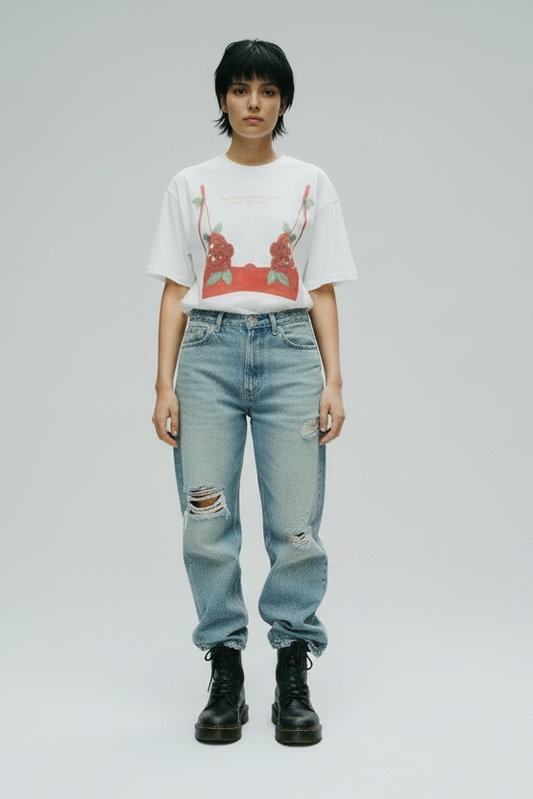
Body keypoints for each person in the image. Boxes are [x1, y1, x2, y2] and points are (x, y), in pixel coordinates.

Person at [146, 39, 357, 746]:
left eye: (267, 92)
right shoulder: (189, 184)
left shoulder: (309, 181)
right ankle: (227, 666)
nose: (253, 105)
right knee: (206, 519)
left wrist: (333, 379)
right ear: (222, 99)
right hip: (206, 355)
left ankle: (292, 667)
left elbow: (320, 285)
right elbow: (177, 288)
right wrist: (162, 384)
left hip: (290, 354)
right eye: (240, 90)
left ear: (284, 101)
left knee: (295, 524)